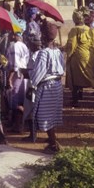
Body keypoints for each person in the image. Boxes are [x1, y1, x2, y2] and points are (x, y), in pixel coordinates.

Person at [25, 22, 64, 152]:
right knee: (52, 114)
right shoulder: (58, 52)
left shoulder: (43, 53)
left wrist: (31, 80)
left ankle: (53, 144)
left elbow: (38, 73)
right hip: (57, 86)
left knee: (44, 115)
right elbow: (62, 69)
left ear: (44, 36)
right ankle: (53, 140)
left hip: (47, 87)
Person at [65, 9, 94, 107]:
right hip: (90, 56)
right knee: (79, 77)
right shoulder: (90, 29)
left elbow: (71, 45)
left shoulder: (75, 30)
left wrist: (67, 54)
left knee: (88, 78)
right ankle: (76, 98)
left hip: (79, 57)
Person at [5, 26, 30, 133]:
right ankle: (18, 124)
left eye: (11, 34)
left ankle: (19, 125)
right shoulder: (24, 46)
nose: (9, 36)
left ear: (15, 35)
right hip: (23, 76)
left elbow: (15, 65)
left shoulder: (14, 46)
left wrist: (9, 79)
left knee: (15, 101)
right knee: (20, 100)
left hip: (16, 76)